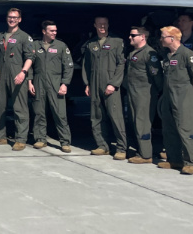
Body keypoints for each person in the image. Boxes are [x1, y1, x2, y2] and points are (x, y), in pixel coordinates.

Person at [157, 26, 193, 175]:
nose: (160, 39)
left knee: (186, 129)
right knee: (169, 129)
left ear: (172, 38)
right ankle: (174, 159)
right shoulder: (167, 56)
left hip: (183, 99)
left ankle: (189, 162)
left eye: (163, 36)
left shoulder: (187, 54)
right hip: (168, 98)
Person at [81, 16, 127, 159]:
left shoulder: (117, 42)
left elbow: (121, 64)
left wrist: (114, 83)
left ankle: (121, 148)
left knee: (115, 116)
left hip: (111, 84)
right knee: (96, 116)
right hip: (95, 84)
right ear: (94, 25)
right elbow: (86, 65)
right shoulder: (91, 44)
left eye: (105, 24)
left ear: (108, 25)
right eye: (99, 24)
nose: (102, 26)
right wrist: (87, 83)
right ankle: (102, 146)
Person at [0, 8, 33, 150]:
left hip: (17, 75)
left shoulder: (24, 37)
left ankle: (20, 139)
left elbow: (30, 57)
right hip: (1, 75)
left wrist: (23, 73)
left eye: (15, 17)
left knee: (19, 108)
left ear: (19, 19)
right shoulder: (0, 36)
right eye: (10, 17)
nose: (12, 19)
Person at [28, 21, 73, 153]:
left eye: (55, 31)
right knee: (39, 112)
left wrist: (65, 83)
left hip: (56, 82)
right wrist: (30, 82)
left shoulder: (61, 46)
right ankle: (40, 139)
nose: (54, 33)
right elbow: (29, 64)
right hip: (38, 81)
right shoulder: (35, 45)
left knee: (60, 113)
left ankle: (65, 142)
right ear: (44, 31)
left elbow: (68, 66)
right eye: (51, 31)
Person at [124, 26, 162, 164]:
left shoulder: (149, 54)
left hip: (144, 94)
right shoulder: (133, 53)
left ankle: (145, 155)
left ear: (142, 37)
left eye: (133, 35)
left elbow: (157, 76)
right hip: (133, 92)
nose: (130, 37)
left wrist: (157, 91)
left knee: (143, 122)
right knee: (135, 122)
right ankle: (140, 149)